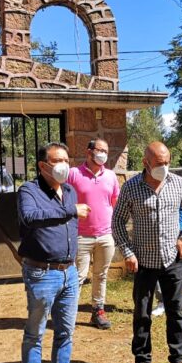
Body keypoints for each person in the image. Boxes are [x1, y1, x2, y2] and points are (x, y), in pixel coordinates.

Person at [113, 141, 182, 363]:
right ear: (146, 163)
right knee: (142, 312)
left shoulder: (178, 183)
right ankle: (141, 360)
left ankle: (178, 360)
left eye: (167, 162)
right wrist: (128, 252)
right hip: (144, 262)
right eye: (159, 163)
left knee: (175, 311)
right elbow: (117, 222)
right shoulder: (131, 187)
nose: (164, 167)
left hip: (172, 260)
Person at [15, 141, 91, 363]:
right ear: (42, 165)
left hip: (68, 272)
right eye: (58, 160)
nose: (64, 165)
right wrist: (71, 210)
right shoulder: (29, 191)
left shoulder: (69, 191)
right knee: (35, 332)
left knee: (65, 331)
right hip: (41, 273)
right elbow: (30, 217)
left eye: (67, 160)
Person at [67, 138, 121, 329]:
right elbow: (63, 199)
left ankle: (98, 311)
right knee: (77, 276)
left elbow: (115, 202)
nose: (103, 154)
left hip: (105, 235)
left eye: (106, 151)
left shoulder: (111, 176)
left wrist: (116, 228)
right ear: (89, 152)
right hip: (80, 235)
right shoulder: (73, 174)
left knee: (101, 275)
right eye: (100, 150)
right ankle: (68, 314)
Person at [151, 207, 182, 317]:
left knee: (176, 269)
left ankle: (178, 299)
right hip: (154, 233)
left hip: (176, 233)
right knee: (155, 265)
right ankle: (162, 301)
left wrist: (179, 230)